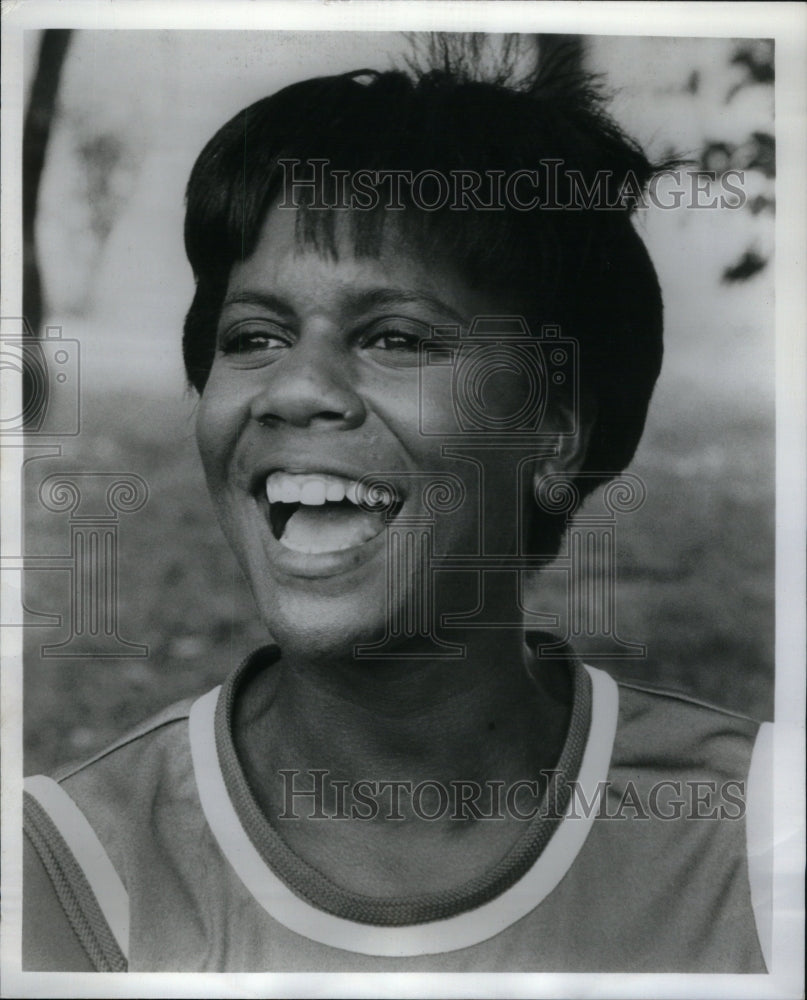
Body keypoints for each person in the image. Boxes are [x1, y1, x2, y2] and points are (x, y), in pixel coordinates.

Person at [22, 41, 770, 973]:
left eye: (396, 338)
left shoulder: (752, 838)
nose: (295, 390)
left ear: (556, 430)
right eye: (253, 335)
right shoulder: (73, 873)